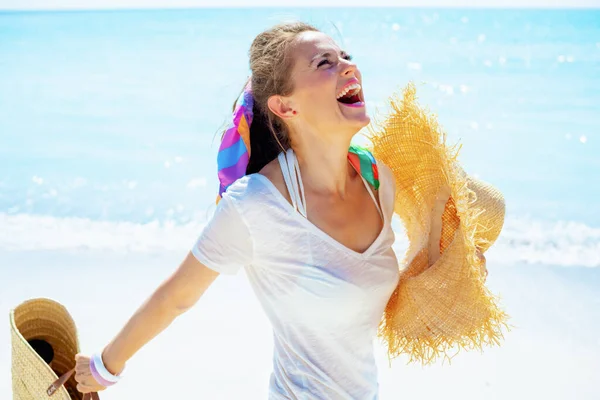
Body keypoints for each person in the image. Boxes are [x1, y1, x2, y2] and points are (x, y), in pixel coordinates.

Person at [73, 21, 490, 398]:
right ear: (285, 107)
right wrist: (104, 368)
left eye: (346, 57)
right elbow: (175, 298)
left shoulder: (377, 179)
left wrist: (452, 266)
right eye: (324, 62)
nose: (348, 67)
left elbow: (389, 292)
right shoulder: (255, 204)